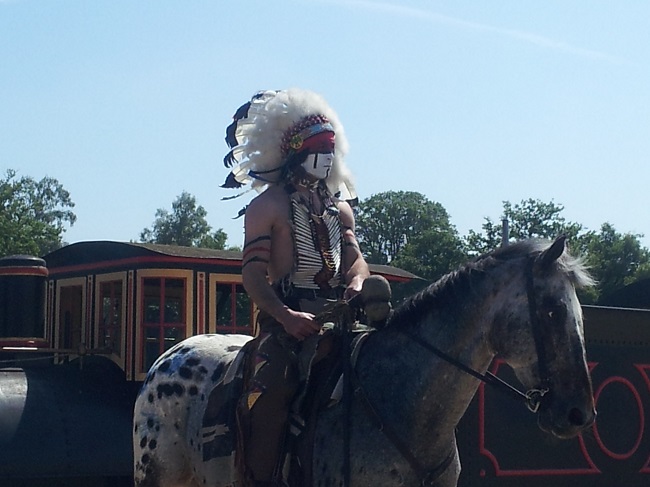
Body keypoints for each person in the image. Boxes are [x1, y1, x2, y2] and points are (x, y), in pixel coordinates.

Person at [221, 89, 370, 486]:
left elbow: (355, 260)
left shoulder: (341, 209)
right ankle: (257, 480)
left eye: (330, 149)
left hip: (340, 319)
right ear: (295, 153)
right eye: (317, 148)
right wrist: (285, 316)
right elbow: (252, 274)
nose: (325, 157)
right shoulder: (266, 207)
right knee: (270, 395)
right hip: (286, 322)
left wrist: (356, 281)